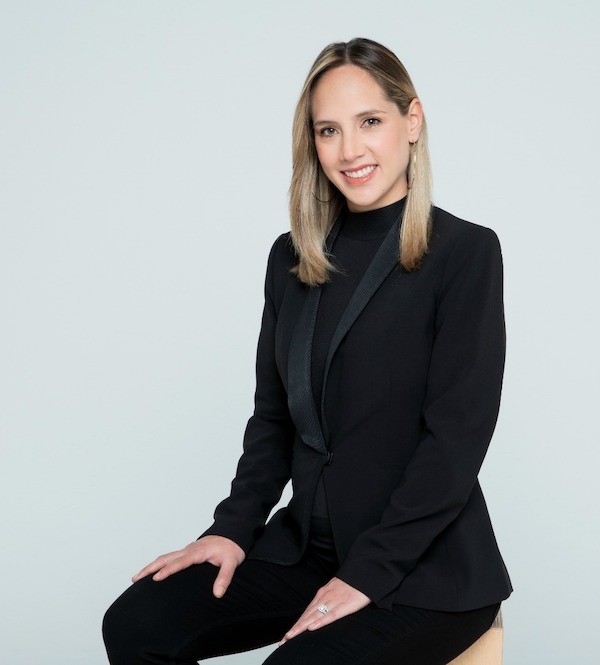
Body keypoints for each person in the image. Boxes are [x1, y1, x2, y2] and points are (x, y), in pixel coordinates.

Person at [103, 37, 512, 665]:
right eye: (328, 130)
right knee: (137, 624)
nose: (350, 150)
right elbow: (273, 419)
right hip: (306, 552)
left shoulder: (464, 254)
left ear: (412, 120)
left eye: (369, 121)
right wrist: (232, 530)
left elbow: (454, 444)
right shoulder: (291, 260)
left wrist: (368, 574)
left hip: (425, 572)